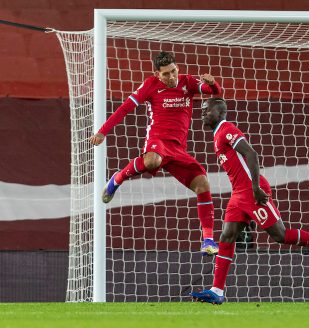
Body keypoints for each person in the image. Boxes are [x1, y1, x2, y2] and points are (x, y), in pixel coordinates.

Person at [190, 97, 309, 304]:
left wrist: (256, 187)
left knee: (281, 236)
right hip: (238, 194)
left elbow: (251, 153)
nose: (203, 113)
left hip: (251, 190)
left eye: (207, 110)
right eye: (201, 109)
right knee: (227, 237)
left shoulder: (226, 128)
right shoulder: (216, 135)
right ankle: (217, 290)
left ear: (220, 113)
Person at [89, 51, 221, 256]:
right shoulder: (150, 85)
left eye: (174, 71)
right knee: (152, 160)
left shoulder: (187, 82)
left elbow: (214, 91)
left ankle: (208, 240)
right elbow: (125, 108)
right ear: (157, 74)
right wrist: (102, 132)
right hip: (157, 142)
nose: (172, 77)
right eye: (166, 74)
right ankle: (118, 178)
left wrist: (212, 84)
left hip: (178, 149)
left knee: (203, 183)